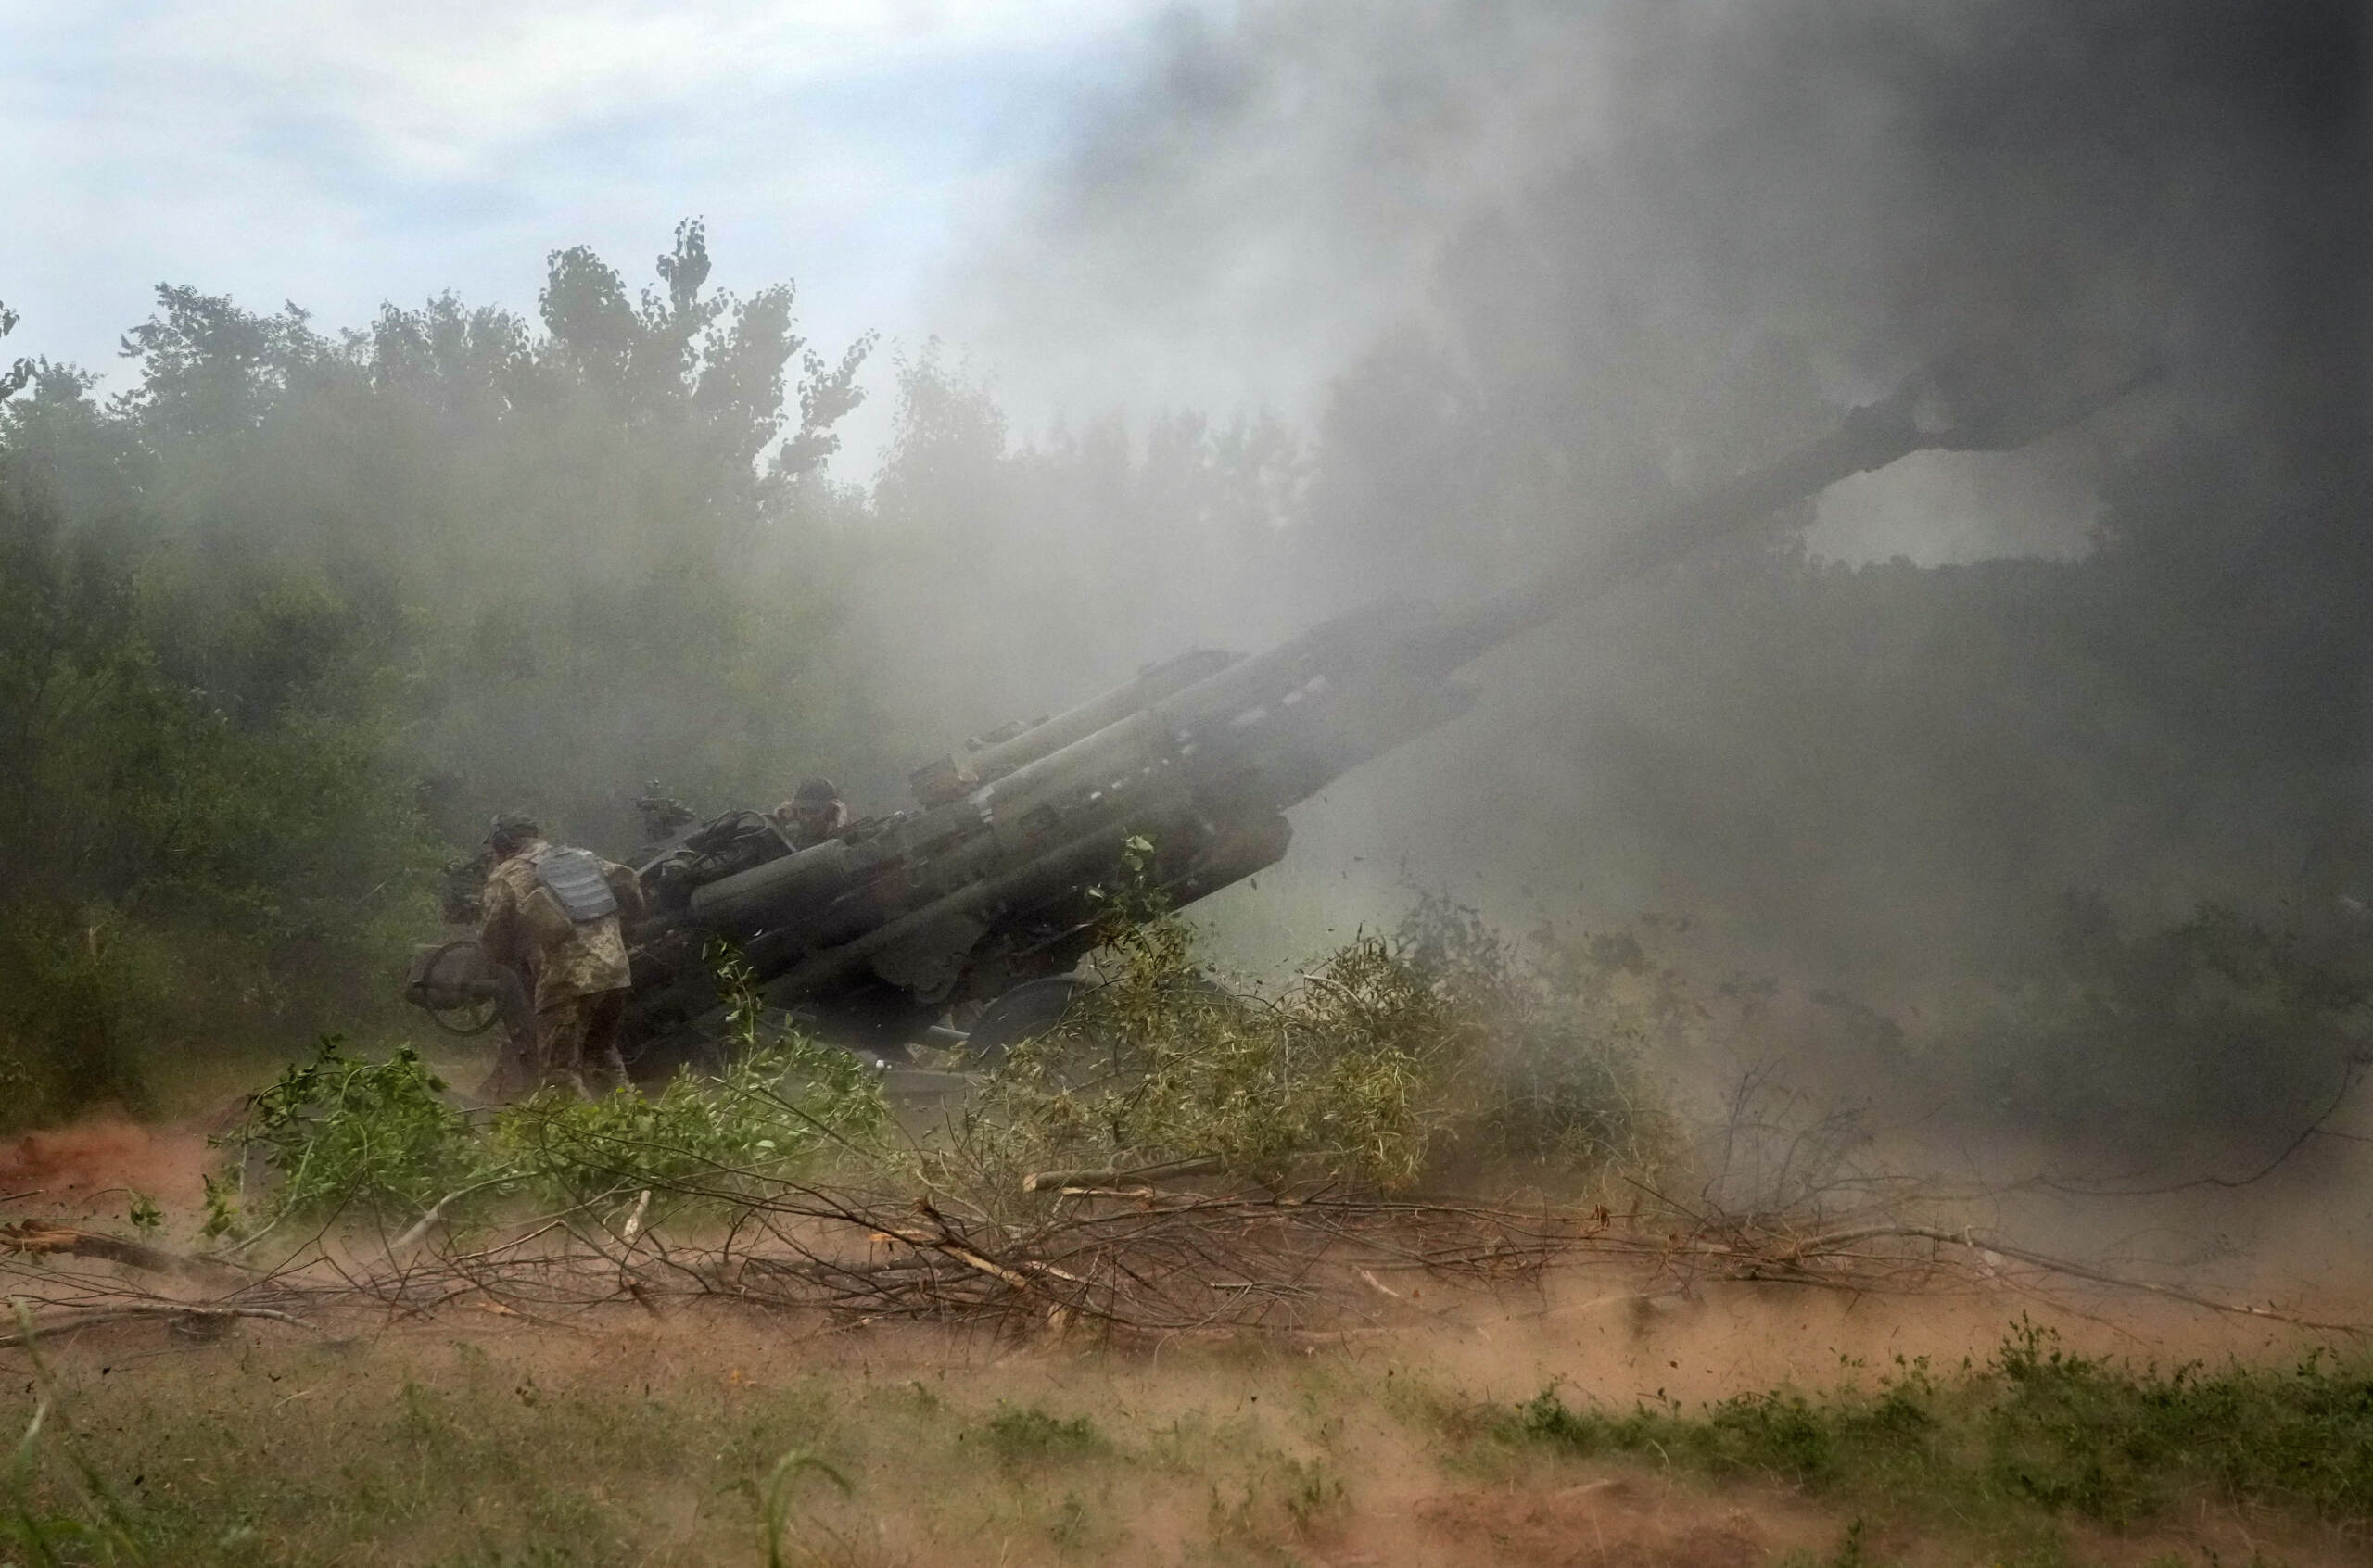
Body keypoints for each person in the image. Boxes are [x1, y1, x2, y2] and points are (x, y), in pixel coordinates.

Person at [477, 812, 646, 1097]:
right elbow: (629, 882)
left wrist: (516, 959)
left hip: (567, 980)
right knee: (602, 1056)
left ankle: (573, 1139)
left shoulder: (507, 874)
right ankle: (631, 1126)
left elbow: (493, 940)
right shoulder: (583, 856)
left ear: (504, 843)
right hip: (615, 972)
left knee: (560, 1075)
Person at [772, 777, 851, 849]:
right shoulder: (792, 836)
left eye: (813, 811)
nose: (807, 818)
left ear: (832, 812)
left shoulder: (843, 842)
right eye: (803, 810)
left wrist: (841, 824)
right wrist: (777, 822)